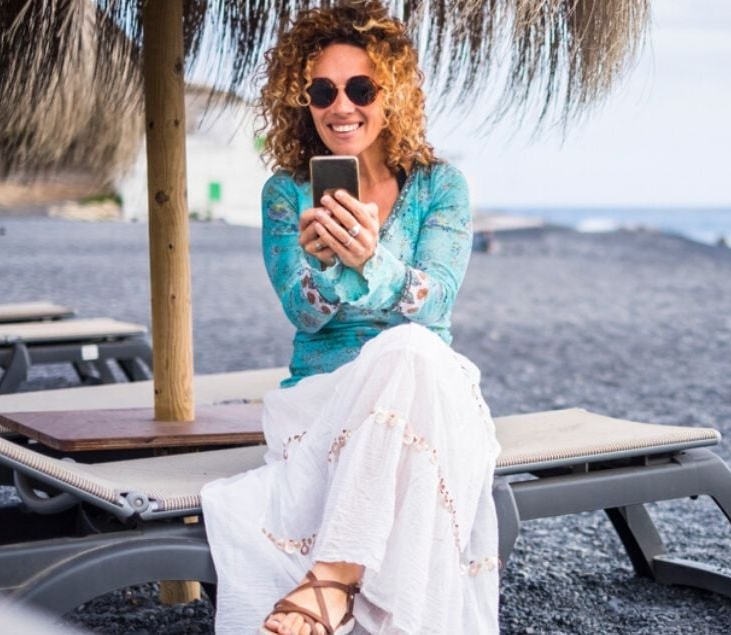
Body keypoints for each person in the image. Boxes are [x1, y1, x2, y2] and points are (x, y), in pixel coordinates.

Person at [200, 4, 501, 634]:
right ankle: (348, 585)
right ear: (302, 101)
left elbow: (437, 299)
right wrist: (335, 270)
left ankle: (332, 577)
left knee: (411, 350)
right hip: (323, 401)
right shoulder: (286, 193)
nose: (342, 106)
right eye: (322, 90)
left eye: (361, 88)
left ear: (393, 96)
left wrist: (373, 260)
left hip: (427, 397)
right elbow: (303, 316)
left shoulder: (440, 187)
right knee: (406, 351)